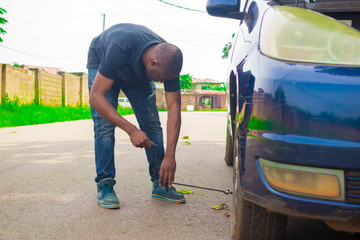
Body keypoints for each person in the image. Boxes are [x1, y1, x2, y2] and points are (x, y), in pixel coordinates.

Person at [87, 23, 185, 209]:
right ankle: (105, 185)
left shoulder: (168, 61)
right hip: (104, 61)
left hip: (137, 70)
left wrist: (170, 155)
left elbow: (174, 108)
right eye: (160, 79)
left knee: (151, 124)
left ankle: (161, 183)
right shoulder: (120, 46)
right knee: (104, 125)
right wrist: (131, 130)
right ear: (153, 63)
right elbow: (96, 97)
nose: (161, 82)